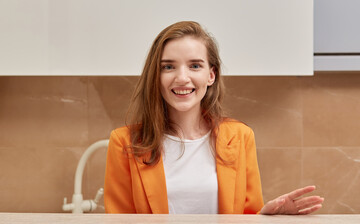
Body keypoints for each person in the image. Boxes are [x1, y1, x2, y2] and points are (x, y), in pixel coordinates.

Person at [104, 21, 324, 214]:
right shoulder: (125, 142)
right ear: (156, 76)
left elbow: (247, 214)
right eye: (168, 67)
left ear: (211, 75)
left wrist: (265, 218)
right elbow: (119, 220)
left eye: (195, 66)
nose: (182, 78)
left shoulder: (239, 137)